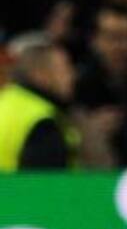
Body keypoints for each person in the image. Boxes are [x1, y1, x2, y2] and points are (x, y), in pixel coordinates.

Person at [0, 33, 78, 171]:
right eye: (65, 69)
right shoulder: (42, 121)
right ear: (41, 75)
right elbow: (44, 188)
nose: (72, 77)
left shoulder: (5, 102)